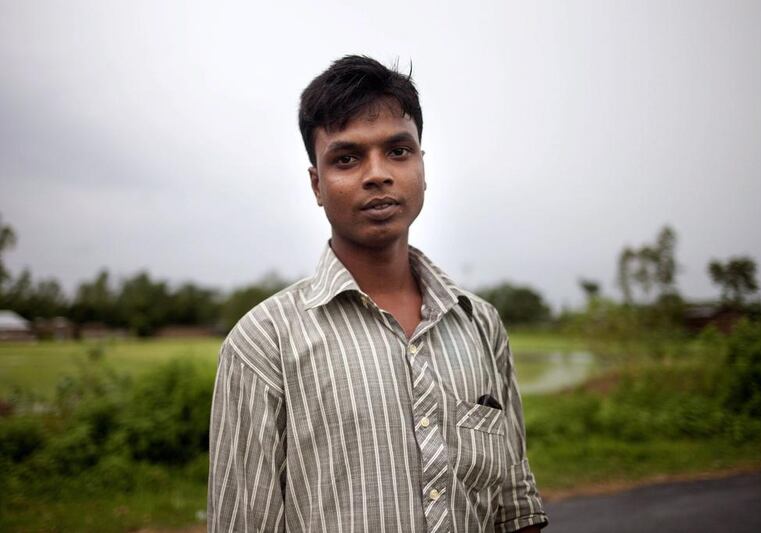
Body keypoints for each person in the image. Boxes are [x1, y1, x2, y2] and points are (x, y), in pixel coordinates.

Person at [207, 55, 548, 532]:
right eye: (347, 158)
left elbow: (515, 508)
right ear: (317, 184)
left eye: (397, 151)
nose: (377, 174)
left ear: (422, 168)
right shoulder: (264, 343)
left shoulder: (480, 324)